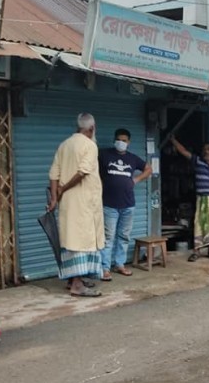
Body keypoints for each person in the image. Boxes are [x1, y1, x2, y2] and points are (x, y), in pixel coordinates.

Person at [48, 113, 105, 297]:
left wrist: (54, 198)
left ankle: (73, 279)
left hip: (68, 204)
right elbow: (82, 172)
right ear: (92, 128)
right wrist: (63, 188)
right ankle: (77, 285)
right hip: (83, 203)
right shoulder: (90, 145)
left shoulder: (64, 145)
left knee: (71, 239)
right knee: (81, 240)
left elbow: (53, 174)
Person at [98, 128, 152, 281]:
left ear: (129, 142)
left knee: (124, 236)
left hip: (128, 205)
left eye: (124, 140)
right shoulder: (104, 154)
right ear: (114, 140)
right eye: (118, 139)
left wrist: (136, 179)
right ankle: (105, 268)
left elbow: (149, 169)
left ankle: (119, 264)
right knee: (108, 238)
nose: (120, 142)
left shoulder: (132, 158)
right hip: (109, 204)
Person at [169, 134, 209, 261]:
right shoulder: (198, 161)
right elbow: (184, 151)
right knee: (199, 225)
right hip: (201, 199)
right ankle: (196, 251)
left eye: (208, 149)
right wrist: (173, 140)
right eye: (204, 149)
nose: (206, 151)